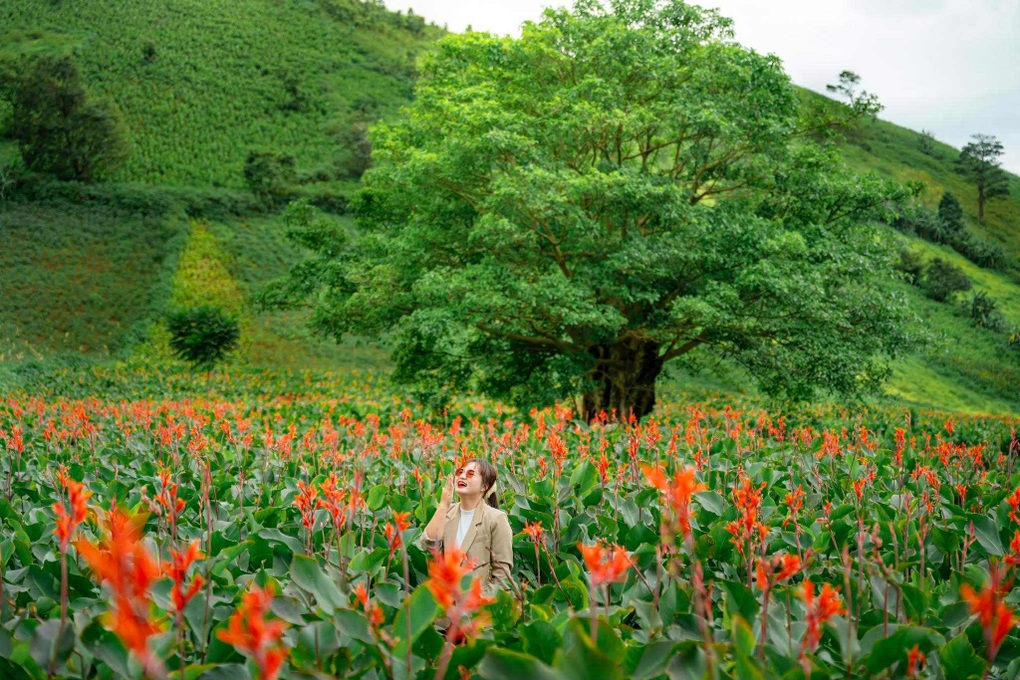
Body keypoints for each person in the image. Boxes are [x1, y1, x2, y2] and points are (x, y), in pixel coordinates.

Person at [418, 458, 513, 589]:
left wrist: (481, 601)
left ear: (484, 486)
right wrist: (443, 505)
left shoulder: (496, 519)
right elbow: (427, 544)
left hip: (477, 603)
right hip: (446, 602)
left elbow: (502, 576)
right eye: (460, 472)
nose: (462, 476)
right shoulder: (447, 512)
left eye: (470, 474)